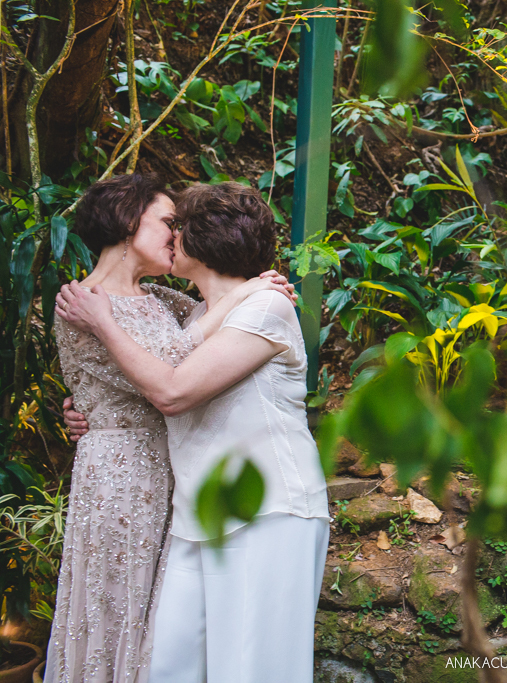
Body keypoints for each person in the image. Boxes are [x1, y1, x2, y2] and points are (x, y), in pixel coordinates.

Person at [56, 182, 330, 683]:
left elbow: (174, 390)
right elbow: (138, 375)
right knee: (165, 668)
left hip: (267, 511)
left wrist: (104, 325)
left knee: (253, 673)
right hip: (194, 516)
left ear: (204, 240)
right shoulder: (196, 314)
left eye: (178, 225)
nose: (172, 236)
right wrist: (88, 409)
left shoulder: (267, 307)